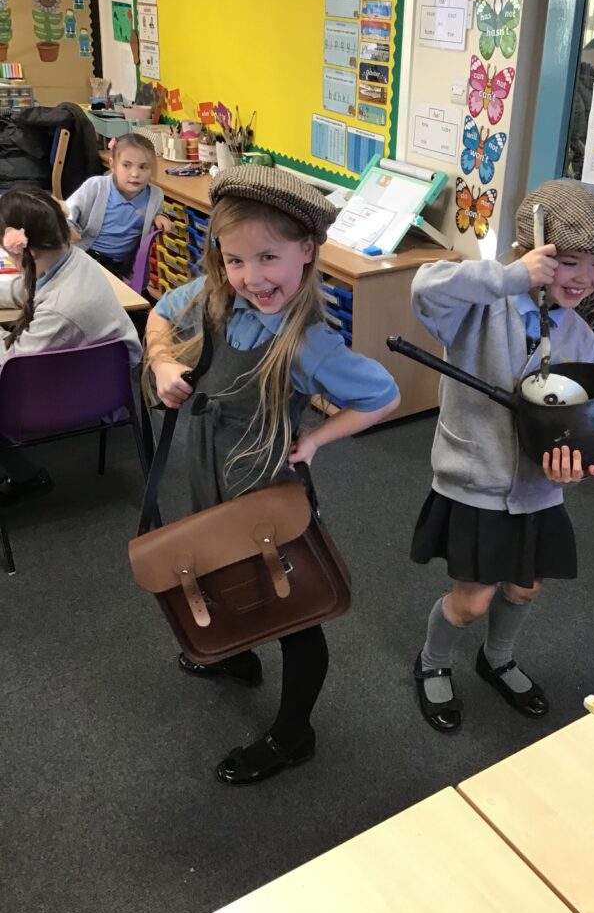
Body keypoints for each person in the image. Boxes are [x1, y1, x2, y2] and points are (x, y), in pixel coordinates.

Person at [144, 165, 400, 785]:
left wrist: (314, 439)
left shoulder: (307, 342)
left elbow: (384, 395)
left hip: (262, 491)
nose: (252, 277)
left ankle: (293, 735)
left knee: (294, 609)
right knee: (217, 573)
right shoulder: (214, 297)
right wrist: (161, 365)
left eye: (268, 257)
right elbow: (160, 315)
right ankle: (235, 658)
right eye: (235, 260)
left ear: (306, 251)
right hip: (210, 472)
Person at [409, 179, 594, 732]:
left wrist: (574, 467)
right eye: (569, 261)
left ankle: (498, 658)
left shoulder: (580, 338)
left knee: (524, 586)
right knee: (472, 602)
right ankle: (432, 659)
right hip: (477, 482)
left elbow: (576, 426)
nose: (584, 277)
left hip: (538, 490)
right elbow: (425, 287)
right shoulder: (478, 310)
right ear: (532, 254)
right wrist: (512, 277)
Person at [0, 187, 142, 501]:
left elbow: (10, 365)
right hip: (102, 376)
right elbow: (29, 288)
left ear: (27, 252)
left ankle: (26, 478)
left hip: (80, 393)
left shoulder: (61, 309)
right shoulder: (69, 258)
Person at [65, 132, 172, 278]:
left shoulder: (155, 195)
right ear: (113, 165)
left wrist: (160, 216)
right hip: (85, 256)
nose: (135, 174)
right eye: (126, 165)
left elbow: (155, 211)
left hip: (121, 267)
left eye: (143, 167)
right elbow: (65, 214)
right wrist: (68, 229)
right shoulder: (96, 186)